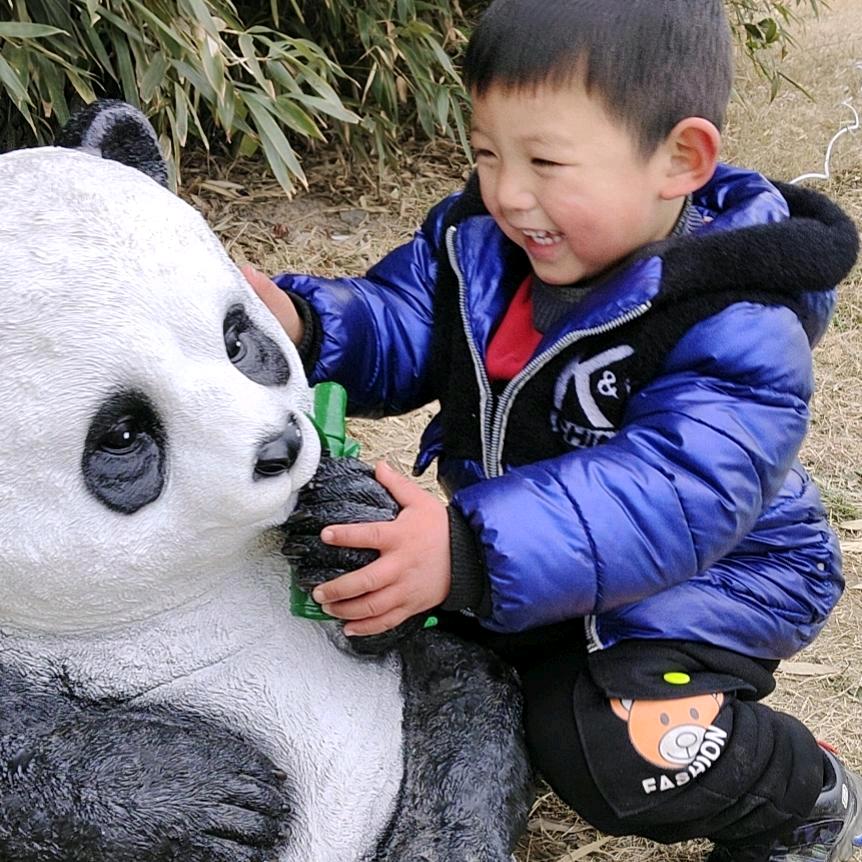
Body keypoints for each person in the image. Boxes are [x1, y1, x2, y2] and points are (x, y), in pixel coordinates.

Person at [243, 0, 861, 858]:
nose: (507, 193)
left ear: (680, 159)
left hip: (710, 579)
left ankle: (800, 790)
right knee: (385, 648)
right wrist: (307, 327)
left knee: (616, 750)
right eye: (486, 153)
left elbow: (671, 495)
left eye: (545, 161)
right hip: (527, 559)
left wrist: (465, 555)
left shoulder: (734, 314)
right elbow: (404, 323)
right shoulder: (480, 243)